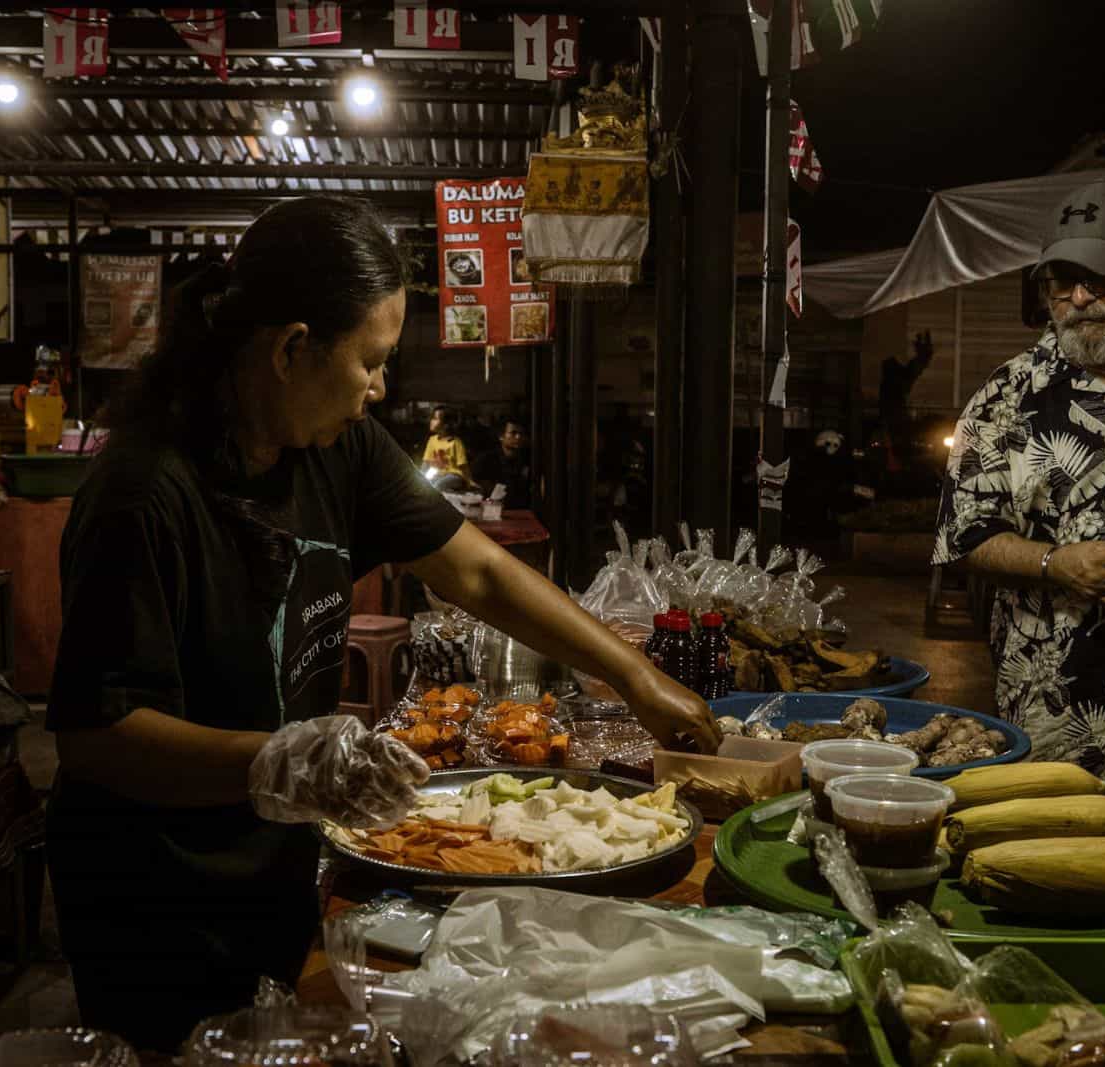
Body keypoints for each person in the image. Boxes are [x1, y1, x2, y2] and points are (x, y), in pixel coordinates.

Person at [44, 197, 719, 1051]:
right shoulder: (143, 494)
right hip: (152, 896)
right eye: (370, 360)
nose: (381, 387)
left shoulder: (335, 448)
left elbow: (475, 567)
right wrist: (278, 761)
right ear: (292, 349)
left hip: (273, 868)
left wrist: (632, 673)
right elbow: (95, 737)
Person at [933, 180, 1105, 801]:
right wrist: (1053, 563)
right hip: (1060, 733)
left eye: (1102, 280)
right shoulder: (1006, 397)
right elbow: (965, 538)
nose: (1079, 300)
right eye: (1061, 283)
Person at [878, 329, 935, 473]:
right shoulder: (895, 382)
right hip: (895, 418)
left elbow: (915, 368)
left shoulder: (896, 379)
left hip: (896, 417)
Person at [471, 417, 532, 510]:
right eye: (513, 433)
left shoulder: (528, 460)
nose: (518, 437)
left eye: (521, 434)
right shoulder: (486, 460)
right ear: (501, 436)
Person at [421, 404, 474, 491]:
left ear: (446, 425)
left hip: (454, 475)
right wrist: (419, 478)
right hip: (438, 474)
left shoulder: (455, 442)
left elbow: (463, 466)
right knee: (427, 485)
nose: (431, 421)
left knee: (438, 486)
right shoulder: (432, 440)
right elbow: (426, 462)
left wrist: (470, 482)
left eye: (435, 418)